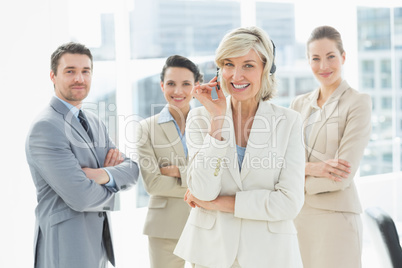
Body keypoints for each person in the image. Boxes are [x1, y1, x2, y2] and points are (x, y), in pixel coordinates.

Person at [174, 26, 305, 268]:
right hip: (211, 254)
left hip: (270, 255)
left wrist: (216, 204)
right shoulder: (200, 119)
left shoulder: (289, 122)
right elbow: (202, 191)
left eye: (248, 65)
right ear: (218, 70)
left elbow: (289, 203)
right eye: (228, 64)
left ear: (266, 69)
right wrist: (217, 121)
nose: (236, 76)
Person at [25, 42, 139, 268]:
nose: (80, 78)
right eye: (70, 71)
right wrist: (113, 182)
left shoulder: (94, 122)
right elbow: (81, 198)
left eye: (85, 71)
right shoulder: (46, 127)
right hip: (66, 248)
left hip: (97, 248)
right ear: (53, 76)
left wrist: (100, 175)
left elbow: (133, 170)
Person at [290, 25, 372, 268]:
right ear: (308, 61)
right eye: (315, 58)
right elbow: (283, 160)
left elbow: (342, 175)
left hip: (336, 220)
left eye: (331, 57)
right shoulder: (298, 103)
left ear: (343, 57)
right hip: (298, 219)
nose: (323, 66)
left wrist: (295, 176)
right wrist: (311, 169)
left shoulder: (357, 103)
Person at [136, 55, 203, 268]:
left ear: (197, 86)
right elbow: (153, 184)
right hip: (164, 227)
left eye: (186, 84)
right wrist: (197, 180)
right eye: (171, 84)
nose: (178, 91)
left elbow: (218, 174)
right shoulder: (146, 128)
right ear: (162, 85)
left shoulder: (209, 124)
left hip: (206, 223)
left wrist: (180, 172)